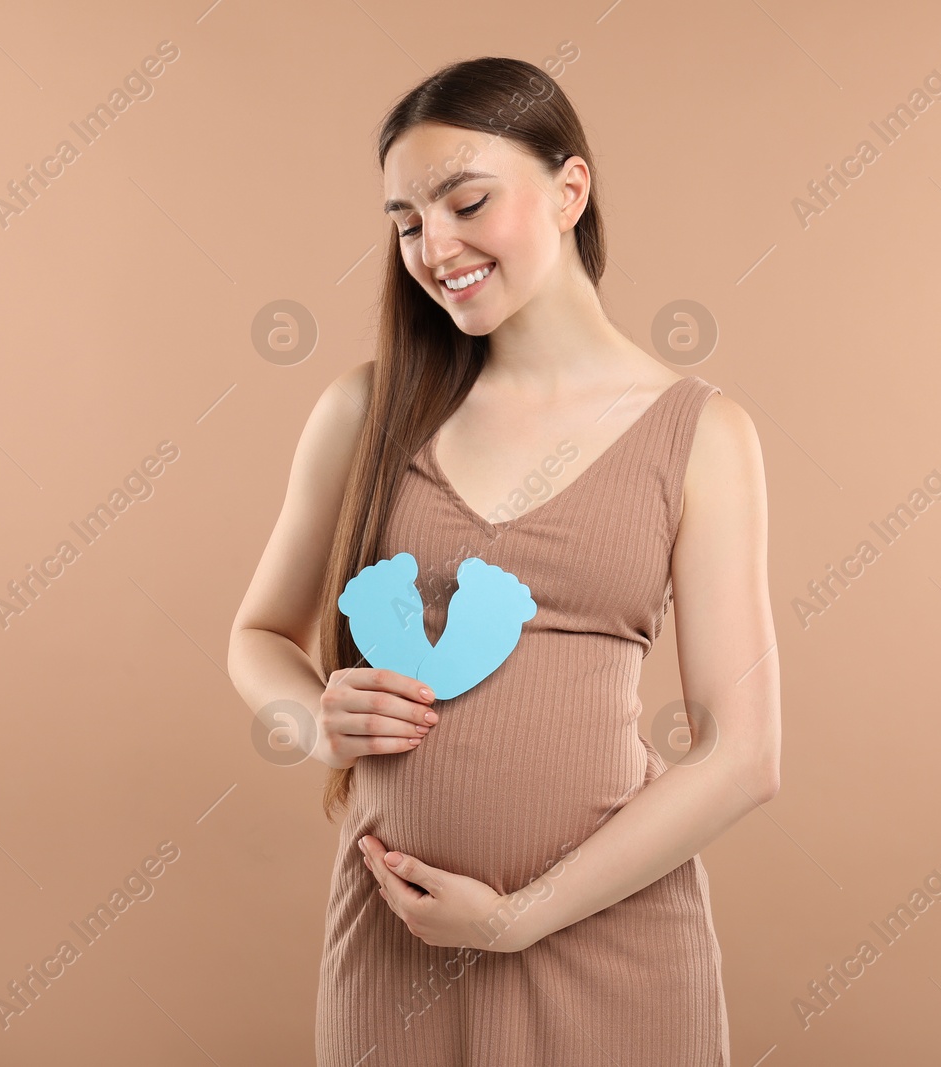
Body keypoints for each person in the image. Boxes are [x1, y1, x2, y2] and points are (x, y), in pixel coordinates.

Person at [227, 55, 781, 1066]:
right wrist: (309, 716)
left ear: (571, 190)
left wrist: (515, 916)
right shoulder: (365, 412)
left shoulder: (704, 436)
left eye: (465, 200)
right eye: (405, 222)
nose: (434, 247)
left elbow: (740, 752)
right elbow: (257, 637)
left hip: (615, 941)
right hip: (397, 943)